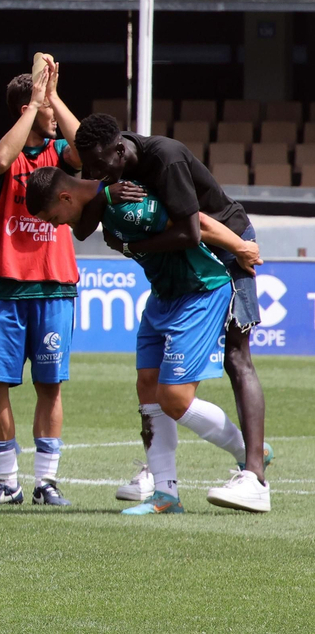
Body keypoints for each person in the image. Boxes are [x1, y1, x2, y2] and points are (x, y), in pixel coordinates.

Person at [26, 167, 258, 514]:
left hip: (199, 290)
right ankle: (165, 495)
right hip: (162, 295)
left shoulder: (128, 204)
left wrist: (241, 248)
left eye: (54, 218)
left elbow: (198, 225)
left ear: (65, 197)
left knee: (175, 398)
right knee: (147, 384)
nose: (58, 226)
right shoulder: (105, 203)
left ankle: (250, 454)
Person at [73, 113, 271, 512]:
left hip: (226, 245)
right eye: (88, 168)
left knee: (237, 355)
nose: (94, 174)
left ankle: (254, 472)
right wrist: (103, 196)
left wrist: (134, 247)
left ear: (119, 150)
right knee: (150, 379)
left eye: (99, 166)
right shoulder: (108, 166)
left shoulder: (165, 158)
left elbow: (191, 230)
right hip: (183, 264)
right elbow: (83, 227)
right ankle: (161, 478)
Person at [0, 62, 81, 508]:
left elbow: (86, 149)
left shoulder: (61, 153)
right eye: (45, 107)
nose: (52, 114)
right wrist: (35, 104)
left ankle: (46, 481)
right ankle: (7, 482)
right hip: (4, 288)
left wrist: (52, 97)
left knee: (49, 385)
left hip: (54, 287)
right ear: (25, 108)